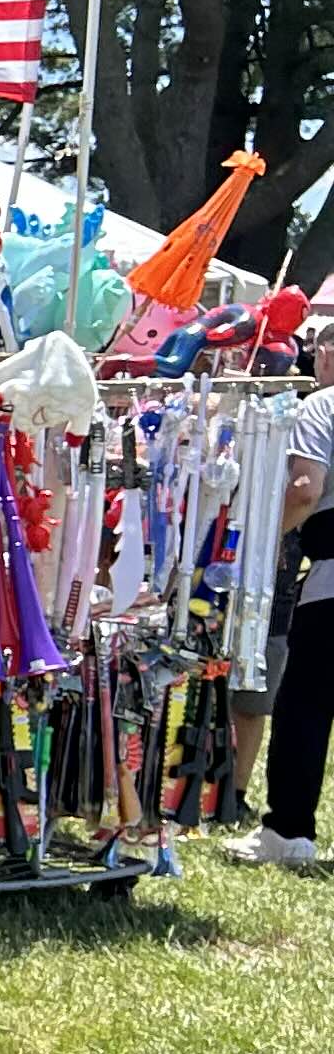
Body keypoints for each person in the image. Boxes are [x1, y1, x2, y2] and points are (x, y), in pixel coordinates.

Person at [224, 325, 332, 869]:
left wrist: (265, 547)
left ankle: (287, 833)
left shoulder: (323, 406)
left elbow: (305, 488)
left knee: (305, 708)